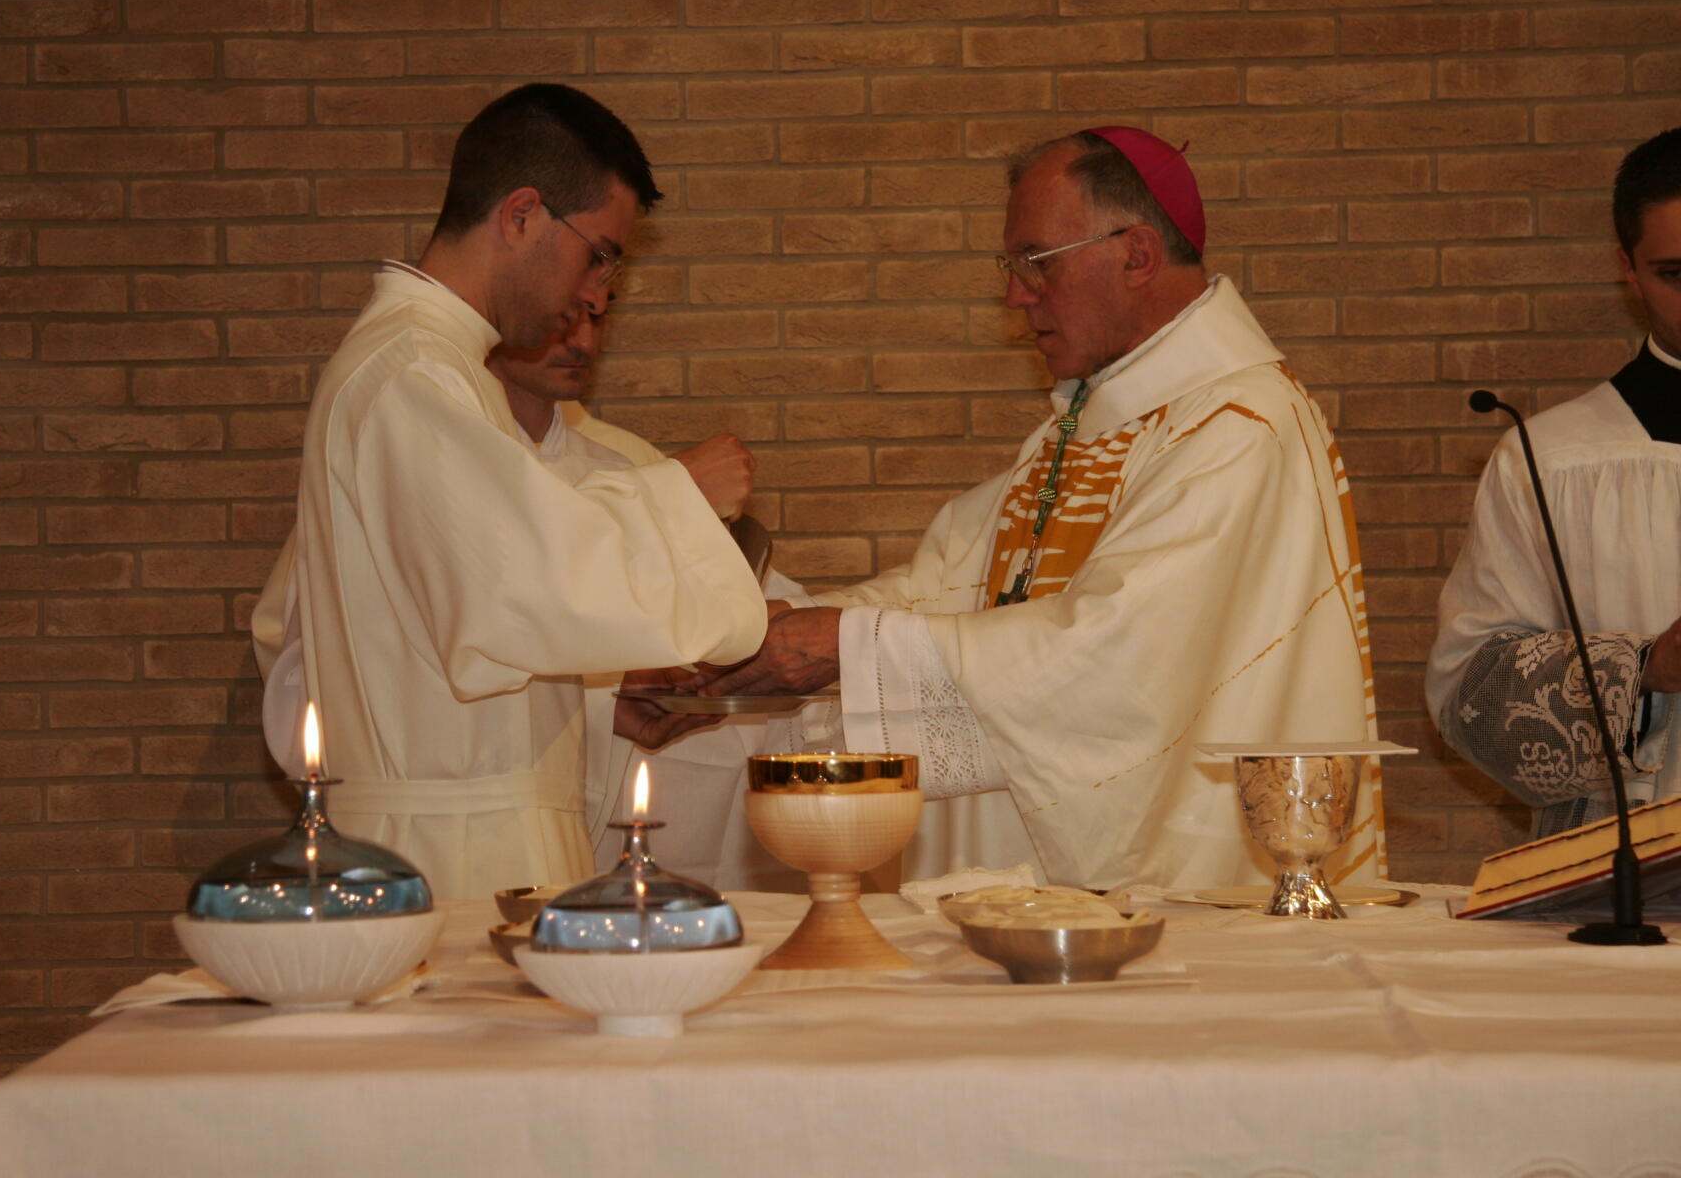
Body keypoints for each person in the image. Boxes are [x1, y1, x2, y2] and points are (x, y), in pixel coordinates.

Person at [704, 127, 1386, 892]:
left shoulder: (1240, 429)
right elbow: (957, 590)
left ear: (1136, 255)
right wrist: (776, 630)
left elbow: (1117, 660)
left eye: (1037, 262)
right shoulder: (1092, 423)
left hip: (1187, 888)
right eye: (1012, 266)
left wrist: (846, 644)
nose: (1015, 295)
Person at [251, 84, 768, 900]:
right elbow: (514, 585)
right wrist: (679, 496)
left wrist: (599, 702)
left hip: (478, 834)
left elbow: (445, 649)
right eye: (598, 254)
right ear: (522, 214)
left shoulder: (439, 368)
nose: (596, 293)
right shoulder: (410, 373)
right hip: (446, 857)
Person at [482, 300, 808, 890]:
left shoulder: (625, 465)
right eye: (562, 316)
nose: (581, 341)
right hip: (466, 803)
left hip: (577, 814)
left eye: (597, 317)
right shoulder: (449, 464)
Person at [1427, 127, 1681, 840]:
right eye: (1677, 274)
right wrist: (1644, 669)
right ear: (1628, 270)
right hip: (1630, 873)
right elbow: (1469, 692)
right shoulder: (1552, 460)